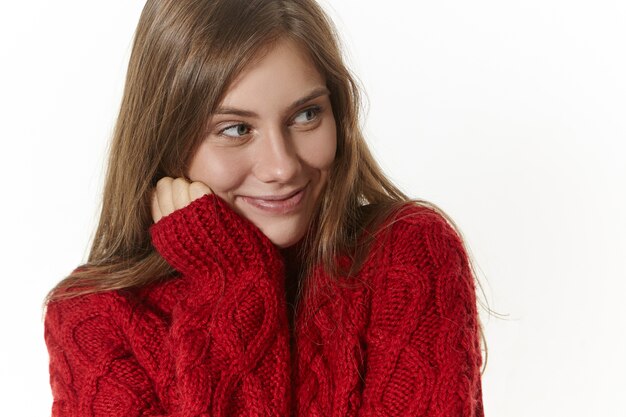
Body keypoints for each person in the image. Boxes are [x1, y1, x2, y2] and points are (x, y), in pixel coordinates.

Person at [43, 0, 486, 415]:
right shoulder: (93, 315)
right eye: (236, 129)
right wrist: (233, 282)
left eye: (306, 115)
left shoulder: (407, 253)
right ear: (165, 139)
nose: (281, 166)